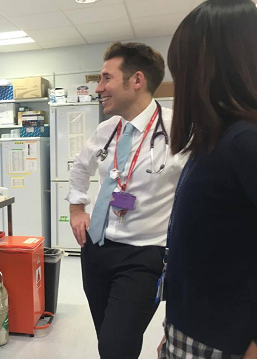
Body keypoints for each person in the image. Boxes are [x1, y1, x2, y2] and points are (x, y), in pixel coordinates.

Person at [160, 0, 257, 358]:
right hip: (190, 335)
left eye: (184, 72)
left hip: (228, 345)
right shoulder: (216, 140)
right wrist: (173, 331)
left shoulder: (253, 142)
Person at [67, 42, 185, 359]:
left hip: (143, 256)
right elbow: (80, 169)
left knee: (115, 345)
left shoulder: (178, 131)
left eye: (106, 78)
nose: (99, 88)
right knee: (109, 338)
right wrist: (77, 208)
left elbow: (198, 197)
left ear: (136, 80)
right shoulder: (106, 130)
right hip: (97, 248)